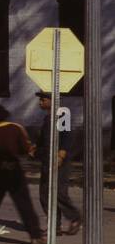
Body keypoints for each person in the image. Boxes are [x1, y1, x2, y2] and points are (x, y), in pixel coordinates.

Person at [0, 105, 43, 244]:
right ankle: (35, 236)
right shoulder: (16, 128)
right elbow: (24, 148)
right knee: (24, 204)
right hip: (14, 170)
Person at [36, 92, 82, 235]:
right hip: (47, 161)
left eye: (42, 100)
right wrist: (35, 151)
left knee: (59, 193)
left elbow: (67, 136)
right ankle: (54, 226)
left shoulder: (63, 114)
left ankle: (75, 218)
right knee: (45, 194)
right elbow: (44, 141)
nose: (40, 103)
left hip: (59, 161)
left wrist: (61, 154)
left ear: (51, 100)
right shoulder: (47, 118)